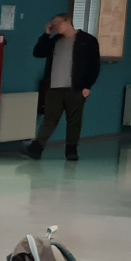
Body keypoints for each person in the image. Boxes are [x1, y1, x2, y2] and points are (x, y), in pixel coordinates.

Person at [22, 14, 101, 161]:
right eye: (53, 25)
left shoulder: (87, 40)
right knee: (49, 119)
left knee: (74, 120)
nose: (55, 27)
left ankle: (71, 150)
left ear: (67, 21)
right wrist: (46, 35)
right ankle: (36, 148)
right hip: (54, 87)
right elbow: (38, 53)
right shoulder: (54, 40)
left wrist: (87, 86)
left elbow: (94, 65)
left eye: (57, 24)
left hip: (76, 87)